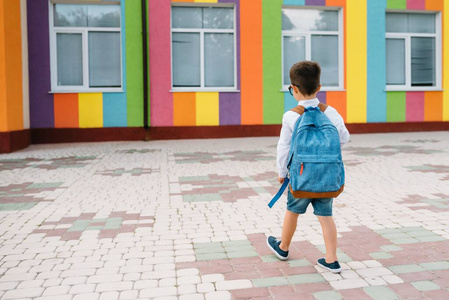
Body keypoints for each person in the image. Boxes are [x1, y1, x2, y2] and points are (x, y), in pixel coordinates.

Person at [267, 61, 350, 273]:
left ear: (293, 89)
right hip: (326, 177)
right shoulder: (331, 113)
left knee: (292, 211)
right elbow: (344, 138)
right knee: (326, 216)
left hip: (301, 177)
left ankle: (283, 247)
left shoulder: (291, 116)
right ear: (319, 87)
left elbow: (284, 148)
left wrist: (281, 173)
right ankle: (331, 259)